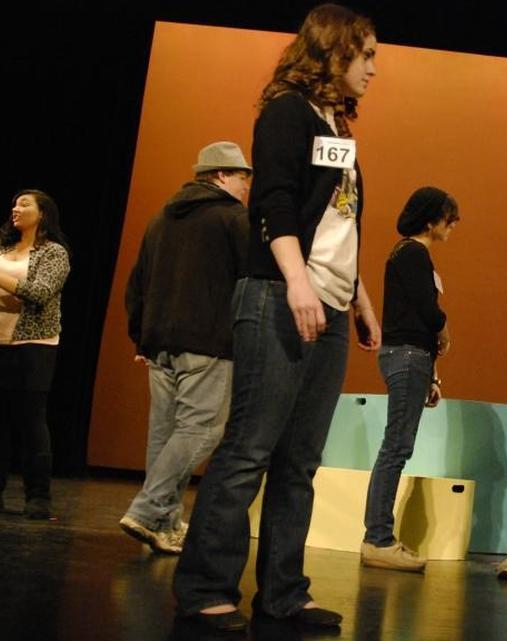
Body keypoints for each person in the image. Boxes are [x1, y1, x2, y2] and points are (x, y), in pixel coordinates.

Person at [171, 4, 380, 633]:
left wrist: (362, 302)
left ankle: (284, 590)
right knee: (250, 448)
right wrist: (297, 283)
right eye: (366, 53)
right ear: (334, 49)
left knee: (301, 458)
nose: (374, 68)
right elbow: (275, 204)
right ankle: (206, 586)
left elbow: (338, 224)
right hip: (279, 295)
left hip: (332, 303)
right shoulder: (287, 111)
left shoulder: (336, 126)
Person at [118, 141, 251, 554]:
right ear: (220, 175)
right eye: (243, 177)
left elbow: (138, 281)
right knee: (203, 428)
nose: (247, 185)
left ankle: (165, 523)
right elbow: (251, 280)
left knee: (165, 434)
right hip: (207, 343)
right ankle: (147, 509)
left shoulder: (161, 218)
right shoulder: (232, 218)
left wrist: (140, 334)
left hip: (160, 343)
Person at [0, 189, 71, 520]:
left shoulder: (54, 253)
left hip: (31, 345)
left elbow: (40, 293)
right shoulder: (0, 246)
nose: (15, 208)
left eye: (24, 204)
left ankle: (39, 496)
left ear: (43, 213)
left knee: (30, 421)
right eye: (15, 203)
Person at [360, 186, 458, 571]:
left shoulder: (410, 255)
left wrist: (432, 375)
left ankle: (379, 537)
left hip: (411, 359)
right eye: (448, 218)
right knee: (396, 448)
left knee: (396, 447)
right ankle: (377, 538)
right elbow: (426, 310)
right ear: (431, 219)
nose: (451, 226)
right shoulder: (413, 253)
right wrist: (445, 327)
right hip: (407, 357)